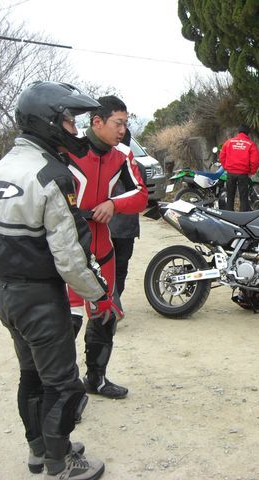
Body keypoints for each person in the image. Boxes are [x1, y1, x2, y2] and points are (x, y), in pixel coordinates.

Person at [0, 81, 119, 479]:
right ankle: (61, 463)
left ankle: (38, 451)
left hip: (6, 294)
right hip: (40, 298)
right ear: (50, 123)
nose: (75, 130)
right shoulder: (51, 175)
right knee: (62, 384)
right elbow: (71, 256)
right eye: (70, 122)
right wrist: (100, 296)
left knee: (31, 376)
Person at [68, 96, 148, 400]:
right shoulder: (68, 149)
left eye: (126, 123)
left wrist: (113, 204)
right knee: (68, 320)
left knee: (105, 314)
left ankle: (96, 379)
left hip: (103, 248)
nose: (123, 130)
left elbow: (141, 196)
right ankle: (64, 391)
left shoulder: (122, 154)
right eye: (118, 123)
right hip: (69, 247)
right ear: (97, 121)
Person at [108, 128, 140, 297]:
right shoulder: (136, 166)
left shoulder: (102, 163)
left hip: (105, 225)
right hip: (127, 228)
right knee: (120, 269)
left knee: (103, 266)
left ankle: (104, 303)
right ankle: (115, 301)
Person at [219, 124, 259, 211]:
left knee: (230, 196)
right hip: (243, 174)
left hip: (230, 173)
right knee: (243, 197)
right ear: (248, 133)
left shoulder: (229, 142)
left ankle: (229, 215)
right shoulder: (250, 144)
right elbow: (255, 161)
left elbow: (222, 156)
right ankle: (243, 216)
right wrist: (251, 172)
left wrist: (226, 167)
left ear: (238, 132)